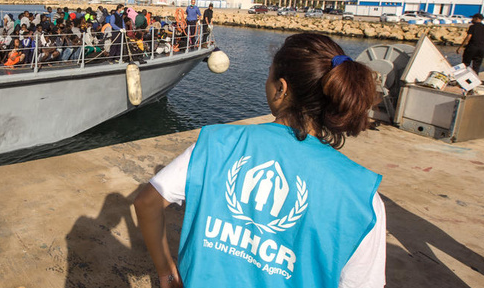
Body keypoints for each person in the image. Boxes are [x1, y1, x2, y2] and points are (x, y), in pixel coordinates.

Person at [134, 33, 385, 288]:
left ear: (281, 89)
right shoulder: (362, 196)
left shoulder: (215, 143)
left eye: (269, 75)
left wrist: (167, 272)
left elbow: (147, 202)